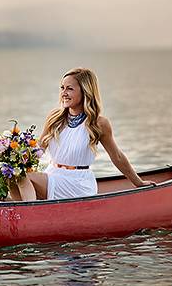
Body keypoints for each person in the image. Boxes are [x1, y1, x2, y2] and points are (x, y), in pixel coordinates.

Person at [12, 68, 155, 201]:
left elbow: (116, 156)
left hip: (77, 183)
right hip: (53, 175)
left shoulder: (99, 123)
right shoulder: (55, 117)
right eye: (62, 88)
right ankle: (23, 217)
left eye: (70, 89)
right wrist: (12, 158)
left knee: (21, 176)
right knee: (11, 174)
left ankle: (29, 216)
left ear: (85, 91)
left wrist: (139, 182)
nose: (64, 93)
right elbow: (39, 149)